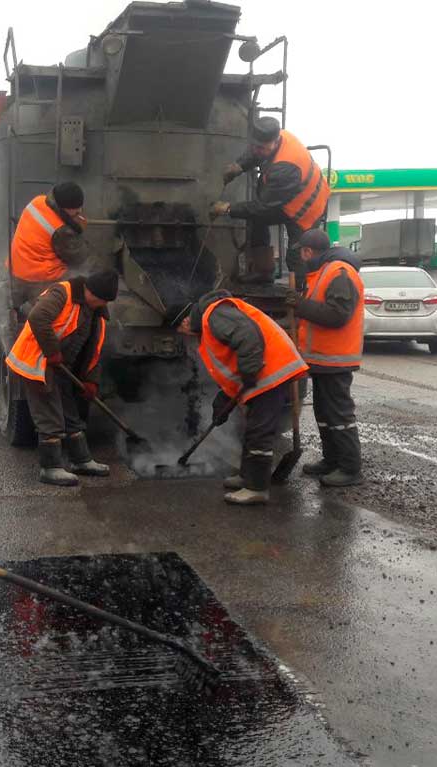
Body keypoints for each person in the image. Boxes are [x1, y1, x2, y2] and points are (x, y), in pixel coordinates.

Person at [176, 291, 309, 505]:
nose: (183, 334)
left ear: (185, 319)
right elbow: (230, 369)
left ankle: (256, 488)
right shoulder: (210, 324)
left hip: (270, 371)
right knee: (252, 427)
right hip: (261, 372)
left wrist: (249, 371)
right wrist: (224, 403)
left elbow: (247, 336)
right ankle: (247, 477)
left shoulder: (213, 314)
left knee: (259, 430)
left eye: (181, 328)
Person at [5, 270, 119, 486]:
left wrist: (91, 380)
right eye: (99, 299)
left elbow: (93, 351)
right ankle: (50, 468)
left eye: (105, 301)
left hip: (61, 367)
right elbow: (37, 318)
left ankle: (81, 460)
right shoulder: (62, 293)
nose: (100, 303)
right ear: (89, 290)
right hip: (37, 362)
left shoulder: (98, 314)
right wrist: (52, 351)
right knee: (50, 414)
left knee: (71, 413)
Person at [287, 229, 365, 487]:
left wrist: (299, 305)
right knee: (323, 412)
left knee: (339, 414)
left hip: (336, 359)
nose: (300, 256)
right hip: (321, 359)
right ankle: (331, 460)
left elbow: (337, 315)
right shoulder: (321, 273)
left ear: (308, 251)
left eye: (301, 252)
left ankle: (350, 468)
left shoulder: (339, 273)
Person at [212, 117, 330, 281]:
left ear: (274, 142)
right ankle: (264, 272)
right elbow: (256, 152)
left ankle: (303, 294)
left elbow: (263, 207)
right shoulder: (274, 137)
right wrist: (239, 166)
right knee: (257, 221)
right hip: (289, 196)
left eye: (260, 147)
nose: (256, 149)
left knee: (297, 256)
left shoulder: (286, 167)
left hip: (307, 207)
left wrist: (228, 208)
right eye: (253, 144)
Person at [9, 181, 91, 308]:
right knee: (79, 281)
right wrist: (77, 230)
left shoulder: (38, 201)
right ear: (64, 207)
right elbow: (79, 257)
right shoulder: (61, 230)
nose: (79, 211)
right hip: (39, 280)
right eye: (76, 208)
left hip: (15, 270)